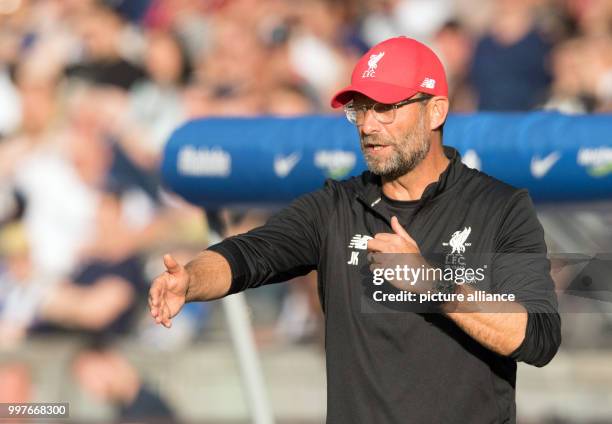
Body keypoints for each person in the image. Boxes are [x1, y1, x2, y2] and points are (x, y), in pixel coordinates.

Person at [149, 36, 561, 423]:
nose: (367, 125)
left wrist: (434, 285)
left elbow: (539, 337)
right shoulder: (335, 206)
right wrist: (190, 280)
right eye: (360, 109)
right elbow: (247, 255)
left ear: (435, 111)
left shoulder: (500, 206)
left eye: (385, 107)